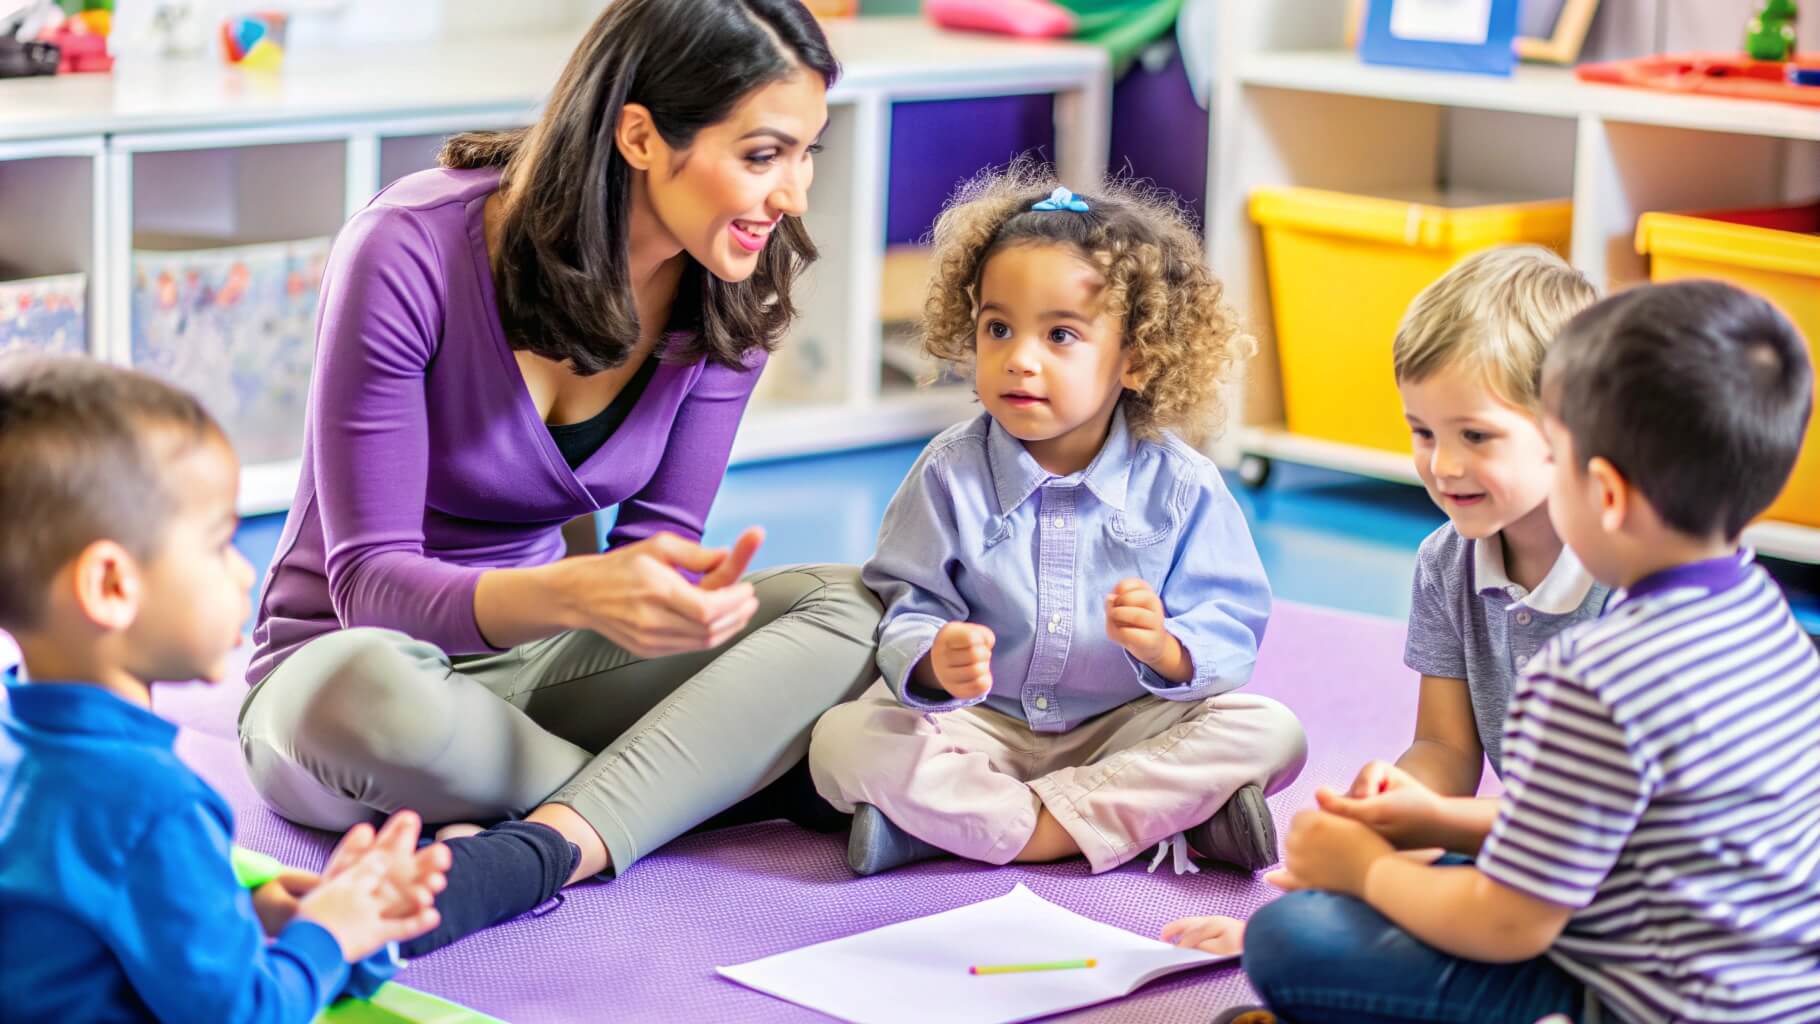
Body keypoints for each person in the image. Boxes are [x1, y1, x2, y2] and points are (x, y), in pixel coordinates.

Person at [236, 0, 881, 955]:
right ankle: (702, 786)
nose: (792, 194)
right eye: (762, 156)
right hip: (355, 670)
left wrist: (675, 601)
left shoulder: (733, 280)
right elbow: (366, 583)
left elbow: (655, 548)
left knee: (854, 606)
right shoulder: (408, 249)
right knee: (359, 692)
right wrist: (580, 595)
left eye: (806, 153)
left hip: (545, 673)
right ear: (640, 136)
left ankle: (539, 848)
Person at [1181, 281, 1820, 1024]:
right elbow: (1619, 828)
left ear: (1603, 491)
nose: (1444, 465)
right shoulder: (1767, 619)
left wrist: (1365, 873)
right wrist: (1431, 821)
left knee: (1290, 938)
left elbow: (1510, 924)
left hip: (1639, 997)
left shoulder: (1594, 674)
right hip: (1768, 992)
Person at [808, 167, 1307, 877]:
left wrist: (1168, 649)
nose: (1019, 360)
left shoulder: (1182, 484)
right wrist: (934, 658)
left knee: (1272, 731)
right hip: (983, 727)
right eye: (998, 329)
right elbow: (906, 601)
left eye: (1060, 334)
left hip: (1128, 727)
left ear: (1135, 359)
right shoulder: (949, 472)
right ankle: (1146, 822)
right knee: (842, 738)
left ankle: (967, 829)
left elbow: (1230, 624)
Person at [0, 355, 450, 1022]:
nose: (245, 573)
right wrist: (330, 934)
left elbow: (92, 919)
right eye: (218, 546)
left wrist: (256, 911)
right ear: (112, 586)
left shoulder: (20, 748)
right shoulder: (152, 804)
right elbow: (247, 1013)